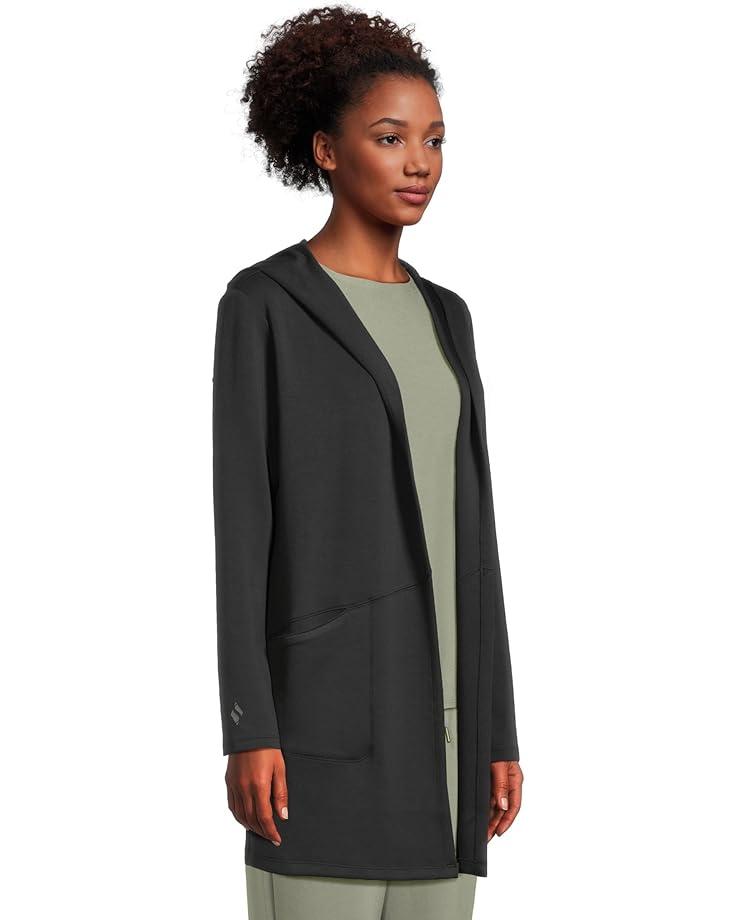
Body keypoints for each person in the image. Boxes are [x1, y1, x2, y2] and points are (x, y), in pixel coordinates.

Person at [212, 7, 523, 919]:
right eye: (390, 138)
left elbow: (476, 532)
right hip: (319, 730)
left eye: (434, 140)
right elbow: (243, 526)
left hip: (449, 736)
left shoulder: (449, 316)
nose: (418, 163)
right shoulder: (264, 305)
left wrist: (498, 726)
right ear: (326, 150)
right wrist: (247, 725)